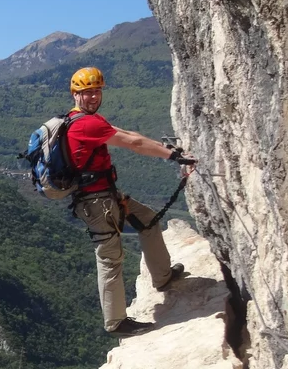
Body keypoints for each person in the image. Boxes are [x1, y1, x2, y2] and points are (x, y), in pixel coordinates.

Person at [66, 66, 197, 337]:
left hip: (105, 196)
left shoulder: (78, 119)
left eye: (96, 91)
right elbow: (133, 143)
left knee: (147, 219)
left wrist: (168, 149)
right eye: (86, 92)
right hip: (97, 203)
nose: (92, 97)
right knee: (110, 258)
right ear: (75, 94)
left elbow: (124, 132)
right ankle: (116, 323)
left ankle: (162, 276)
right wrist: (172, 157)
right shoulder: (86, 123)